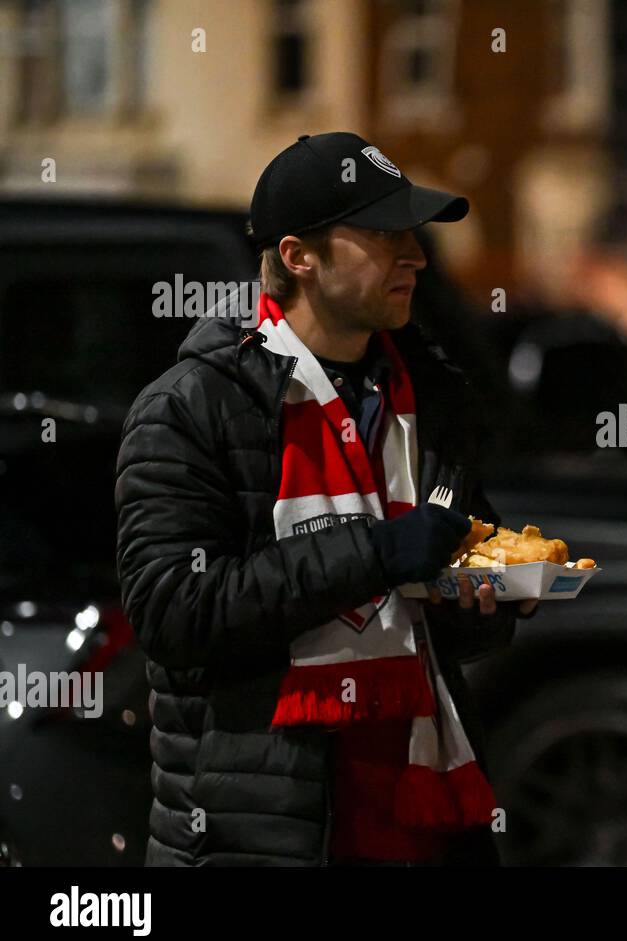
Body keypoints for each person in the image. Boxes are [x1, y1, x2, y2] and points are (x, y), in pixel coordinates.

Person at [115, 132, 535, 866]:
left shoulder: (432, 397)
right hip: (264, 835)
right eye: (383, 234)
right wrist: (375, 552)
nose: (416, 256)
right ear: (298, 256)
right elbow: (174, 613)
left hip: (422, 818)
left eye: (414, 234)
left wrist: (486, 606)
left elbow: (437, 625)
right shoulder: (193, 407)